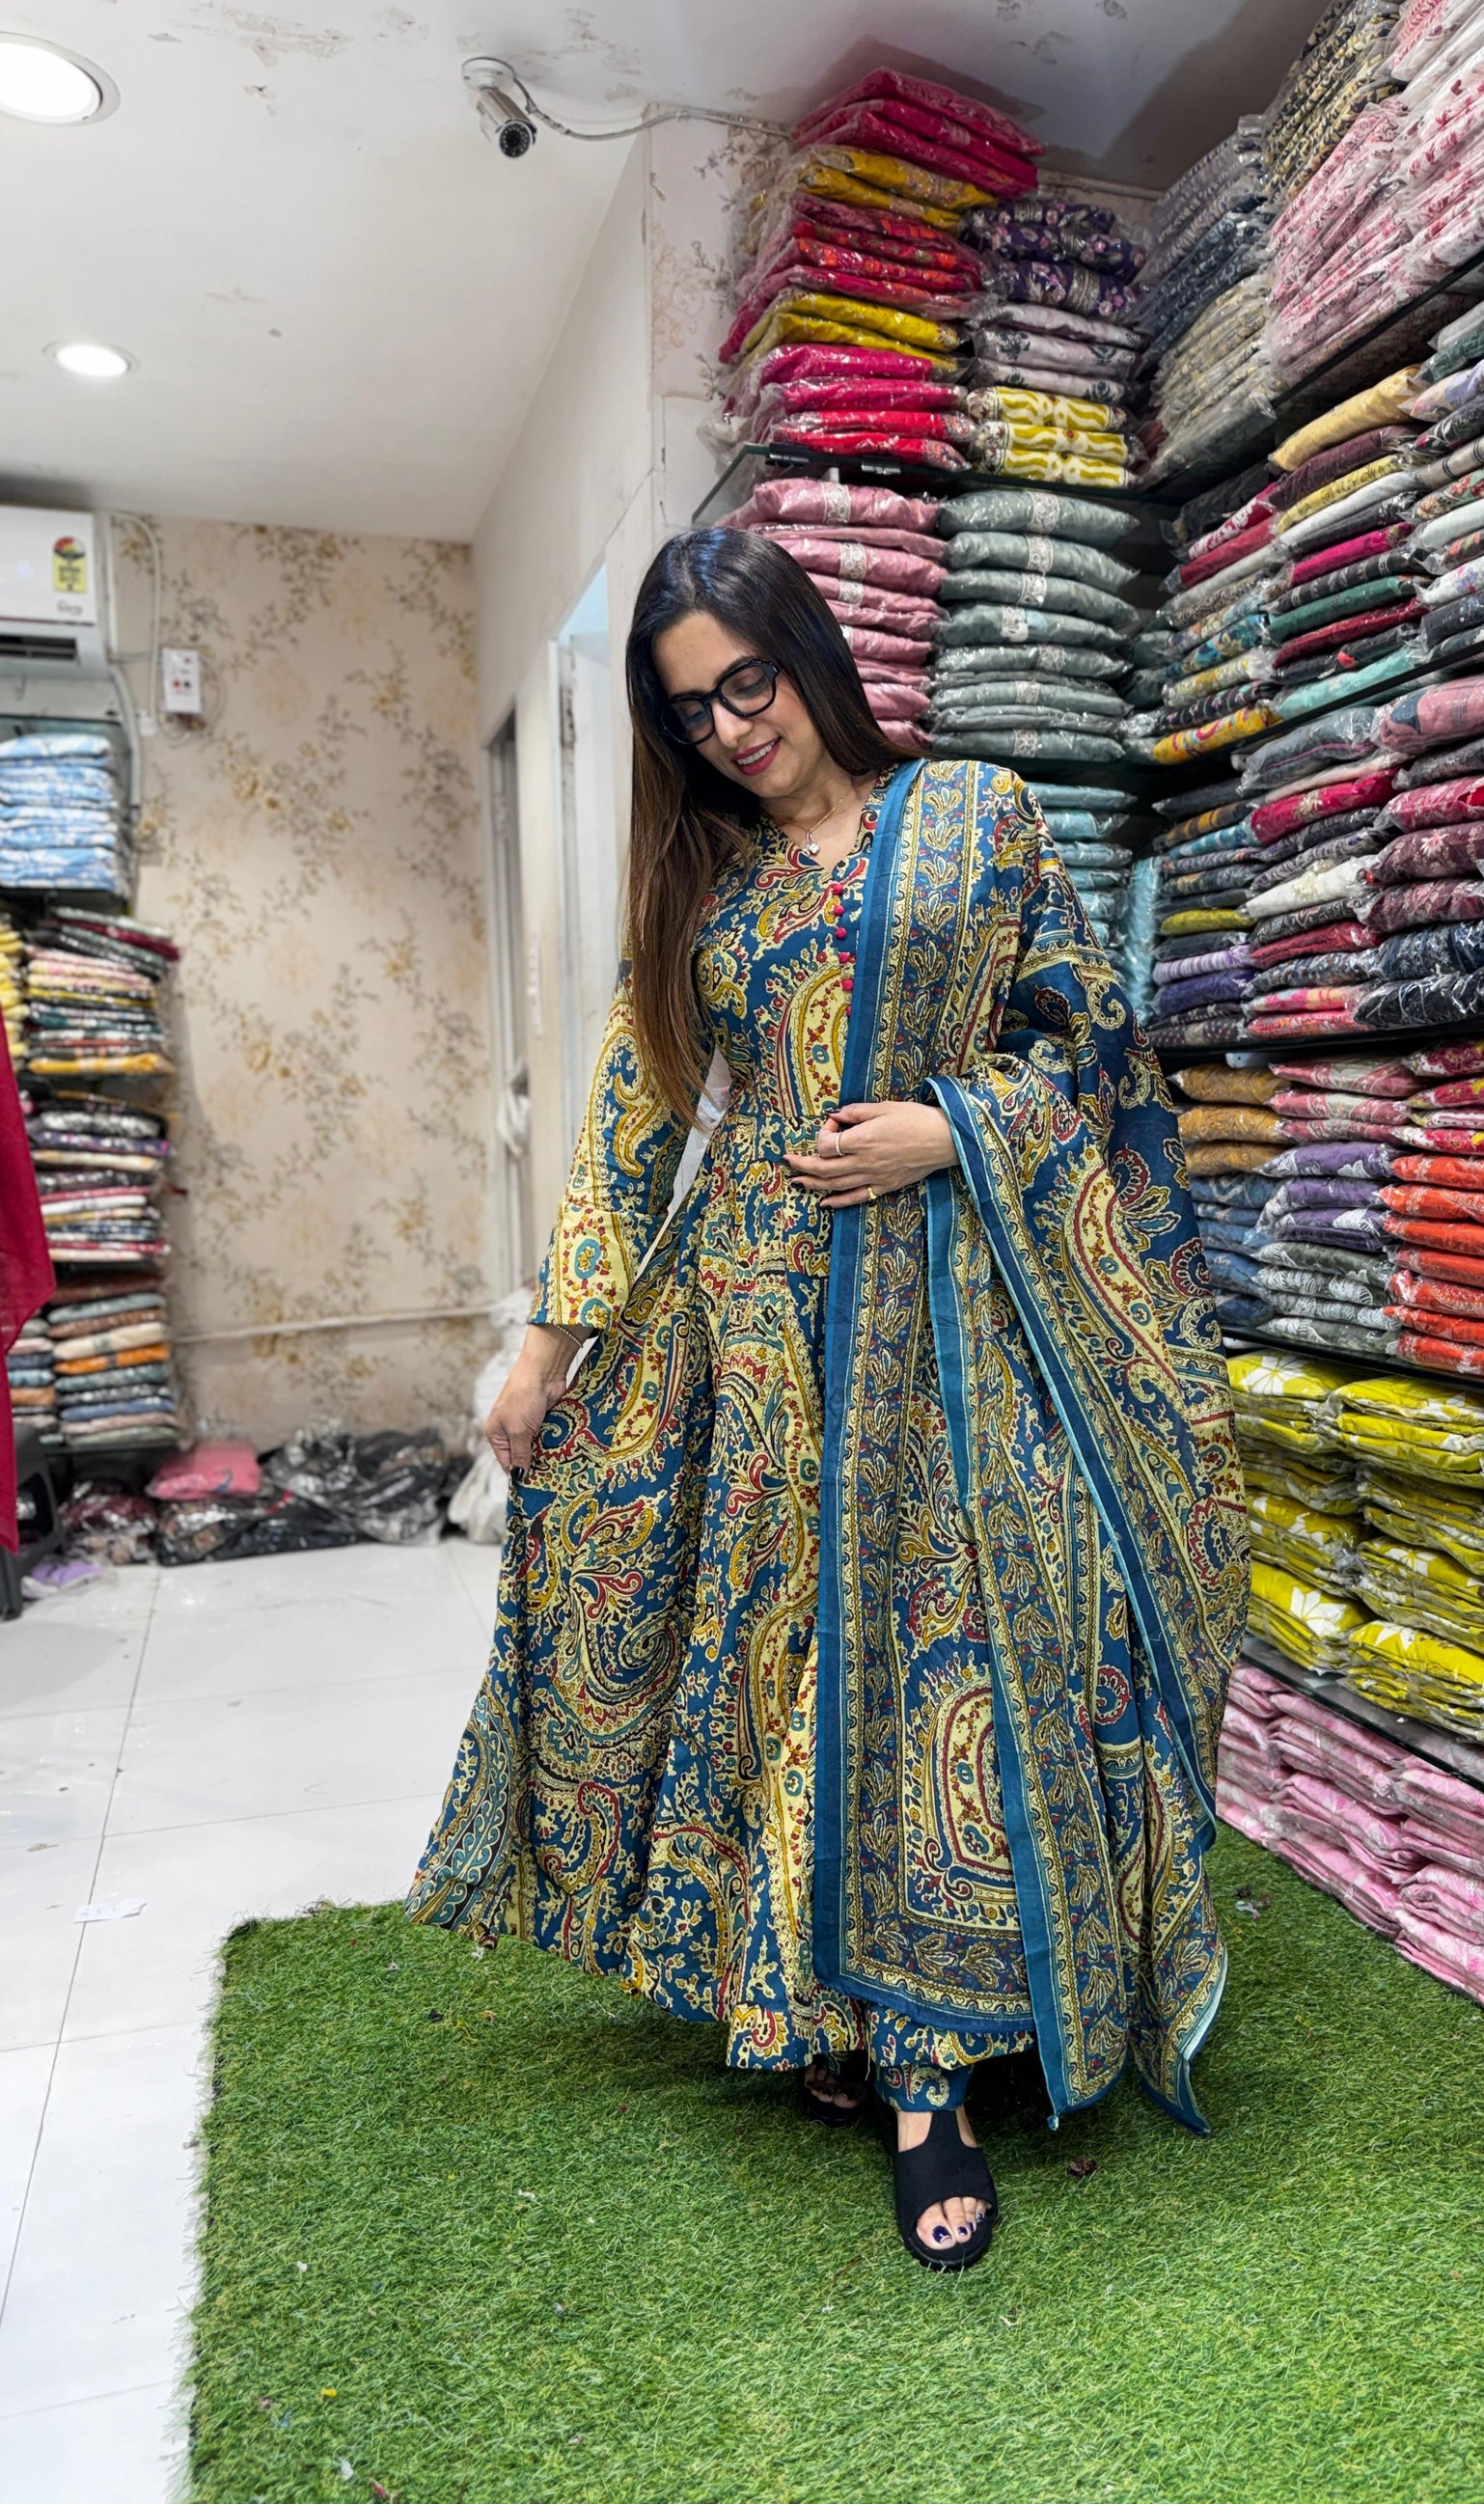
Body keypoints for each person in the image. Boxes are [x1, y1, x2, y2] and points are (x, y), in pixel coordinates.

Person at [408, 527, 1244, 2270]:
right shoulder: (705, 891)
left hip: (964, 1324)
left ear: (808, 654)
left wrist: (953, 1127)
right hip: (761, 1339)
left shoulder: (978, 816)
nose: (732, 727)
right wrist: (547, 1349)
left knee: (951, 1648)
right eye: (691, 710)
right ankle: (822, 2000)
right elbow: (635, 1119)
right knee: (801, 1653)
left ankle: (935, 2074)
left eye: (749, 681)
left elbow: (1091, 1043)